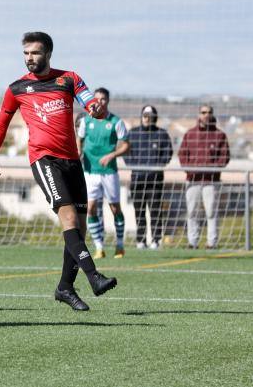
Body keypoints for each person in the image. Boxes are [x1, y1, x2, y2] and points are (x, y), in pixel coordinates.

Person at [0, 32, 118, 312]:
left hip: (72, 161)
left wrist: (94, 108)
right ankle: (94, 276)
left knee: (79, 227)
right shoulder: (17, 88)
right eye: (26, 53)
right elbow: (1, 122)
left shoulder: (68, 78)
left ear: (48, 54)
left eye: (34, 53)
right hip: (44, 160)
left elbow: (87, 99)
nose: (29, 58)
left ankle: (65, 288)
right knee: (68, 217)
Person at [76, 87, 130, 259]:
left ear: (107, 101)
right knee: (90, 208)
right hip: (90, 171)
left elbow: (127, 145)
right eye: (96, 98)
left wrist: (112, 155)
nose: (99, 102)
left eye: (103, 99)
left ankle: (120, 245)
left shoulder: (116, 122)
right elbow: (80, 138)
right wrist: (78, 152)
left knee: (114, 208)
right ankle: (99, 247)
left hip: (109, 172)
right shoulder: (85, 121)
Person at [178, 104, 230, 249]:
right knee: (192, 211)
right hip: (192, 180)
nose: (206, 114)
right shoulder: (190, 134)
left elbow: (224, 157)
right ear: (199, 114)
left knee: (211, 212)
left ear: (212, 114)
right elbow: (182, 154)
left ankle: (211, 243)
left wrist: (212, 169)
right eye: (203, 112)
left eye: (209, 112)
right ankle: (192, 242)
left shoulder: (220, 135)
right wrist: (189, 169)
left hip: (211, 181)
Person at [124, 105, 174, 249]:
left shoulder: (162, 134)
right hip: (137, 179)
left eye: (149, 116)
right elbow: (126, 153)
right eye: (144, 115)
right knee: (139, 211)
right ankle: (141, 240)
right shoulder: (133, 134)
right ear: (141, 116)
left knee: (155, 210)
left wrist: (156, 166)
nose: (146, 118)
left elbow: (167, 154)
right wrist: (135, 166)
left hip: (155, 180)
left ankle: (156, 240)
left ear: (154, 118)